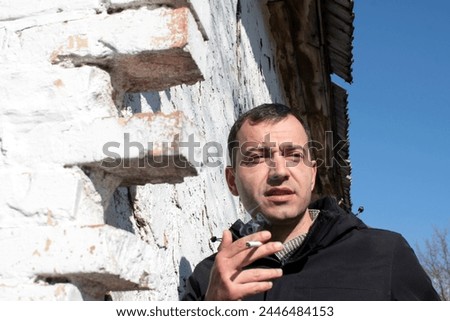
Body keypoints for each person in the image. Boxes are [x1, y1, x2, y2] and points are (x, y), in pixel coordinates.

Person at [182, 103, 439, 301]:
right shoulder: (210, 279)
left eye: (293, 155)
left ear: (312, 175)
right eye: (258, 158)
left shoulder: (384, 254)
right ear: (232, 181)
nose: (279, 171)